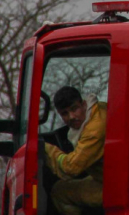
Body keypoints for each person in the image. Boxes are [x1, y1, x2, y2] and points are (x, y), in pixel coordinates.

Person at [43, 86, 106, 215]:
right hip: (107, 177)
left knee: (60, 193)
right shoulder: (98, 109)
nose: (71, 117)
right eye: (65, 113)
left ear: (83, 104)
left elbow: (71, 168)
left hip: (115, 186)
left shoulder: (93, 131)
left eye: (74, 109)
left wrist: (47, 149)